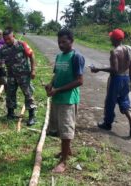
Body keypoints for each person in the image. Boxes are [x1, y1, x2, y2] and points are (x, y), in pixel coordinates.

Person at [45, 29, 85, 173]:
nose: (61, 45)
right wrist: (51, 85)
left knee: (67, 129)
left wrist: (58, 90)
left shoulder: (76, 57)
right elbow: (56, 74)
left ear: (71, 41)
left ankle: (63, 162)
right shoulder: (59, 56)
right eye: (59, 42)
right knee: (61, 127)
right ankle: (66, 151)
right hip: (57, 97)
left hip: (68, 99)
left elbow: (80, 81)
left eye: (64, 42)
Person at [90, 28, 131, 137]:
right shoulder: (128, 49)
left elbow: (115, 70)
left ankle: (107, 123)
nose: (110, 39)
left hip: (116, 79)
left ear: (114, 39)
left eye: (111, 37)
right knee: (124, 100)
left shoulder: (114, 52)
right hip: (126, 78)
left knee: (110, 102)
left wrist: (98, 69)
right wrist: (130, 81)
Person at [0, 27, 37, 126]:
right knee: (10, 94)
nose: (7, 41)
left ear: (13, 36)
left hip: (24, 75)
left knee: (28, 94)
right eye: (5, 39)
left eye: (9, 39)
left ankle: (32, 116)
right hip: (11, 75)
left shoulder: (22, 45)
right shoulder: (3, 49)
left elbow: (31, 55)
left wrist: (33, 70)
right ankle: (10, 113)